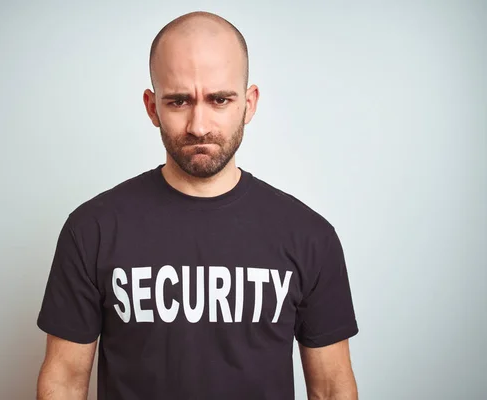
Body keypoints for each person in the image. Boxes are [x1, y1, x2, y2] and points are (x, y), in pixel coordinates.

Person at [36, 10, 359, 400]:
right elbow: (65, 383)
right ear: (152, 107)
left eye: (219, 99)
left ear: (249, 104)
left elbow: (331, 388)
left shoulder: (310, 237)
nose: (199, 125)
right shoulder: (92, 230)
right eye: (179, 102)